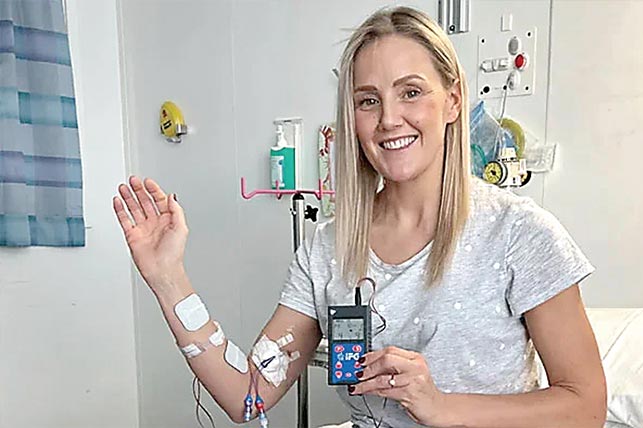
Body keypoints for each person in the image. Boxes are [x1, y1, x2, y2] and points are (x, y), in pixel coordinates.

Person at [113, 6, 606, 428]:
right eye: (369, 100)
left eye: (411, 92)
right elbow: (249, 396)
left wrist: (441, 407)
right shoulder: (327, 249)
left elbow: (586, 406)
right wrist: (168, 279)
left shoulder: (519, 234)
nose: (389, 119)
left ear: (453, 101)